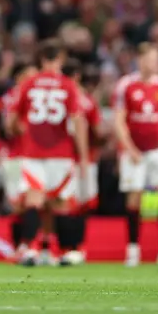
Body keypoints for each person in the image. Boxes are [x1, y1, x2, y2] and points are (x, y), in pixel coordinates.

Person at [6, 39, 89, 266]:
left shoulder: (28, 83)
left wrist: (20, 131)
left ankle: (32, 250)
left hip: (33, 152)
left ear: (41, 59)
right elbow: (78, 121)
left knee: (34, 200)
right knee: (61, 203)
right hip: (61, 152)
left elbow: (11, 120)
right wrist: (82, 155)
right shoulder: (68, 84)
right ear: (60, 59)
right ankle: (64, 251)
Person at [113, 42, 158, 267]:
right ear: (141, 60)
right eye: (151, 59)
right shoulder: (126, 85)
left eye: (157, 60)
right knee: (134, 199)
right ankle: (133, 251)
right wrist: (129, 148)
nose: (154, 64)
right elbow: (118, 121)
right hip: (135, 150)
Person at [60, 58, 103, 265]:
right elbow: (97, 130)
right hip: (79, 160)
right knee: (76, 205)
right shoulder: (86, 100)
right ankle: (76, 247)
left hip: (65, 159)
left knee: (73, 204)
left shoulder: (63, 98)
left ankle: (70, 247)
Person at [0, 62, 38, 259]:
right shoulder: (12, 97)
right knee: (18, 205)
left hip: (34, 157)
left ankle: (28, 246)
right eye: (30, 77)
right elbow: (10, 128)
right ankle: (18, 248)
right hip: (16, 157)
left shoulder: (37, 98)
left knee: (34, 201)